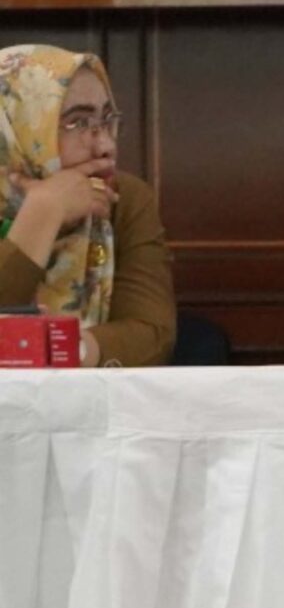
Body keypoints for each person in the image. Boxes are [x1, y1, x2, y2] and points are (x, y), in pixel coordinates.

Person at [0, 46, 177, 367]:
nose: (106, 145)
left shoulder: (124, 198)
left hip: (94, 394)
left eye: (107, 120)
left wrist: (63, 348)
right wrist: (44, 211)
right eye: (77, 123)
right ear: (16, 130)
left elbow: (152, 334)